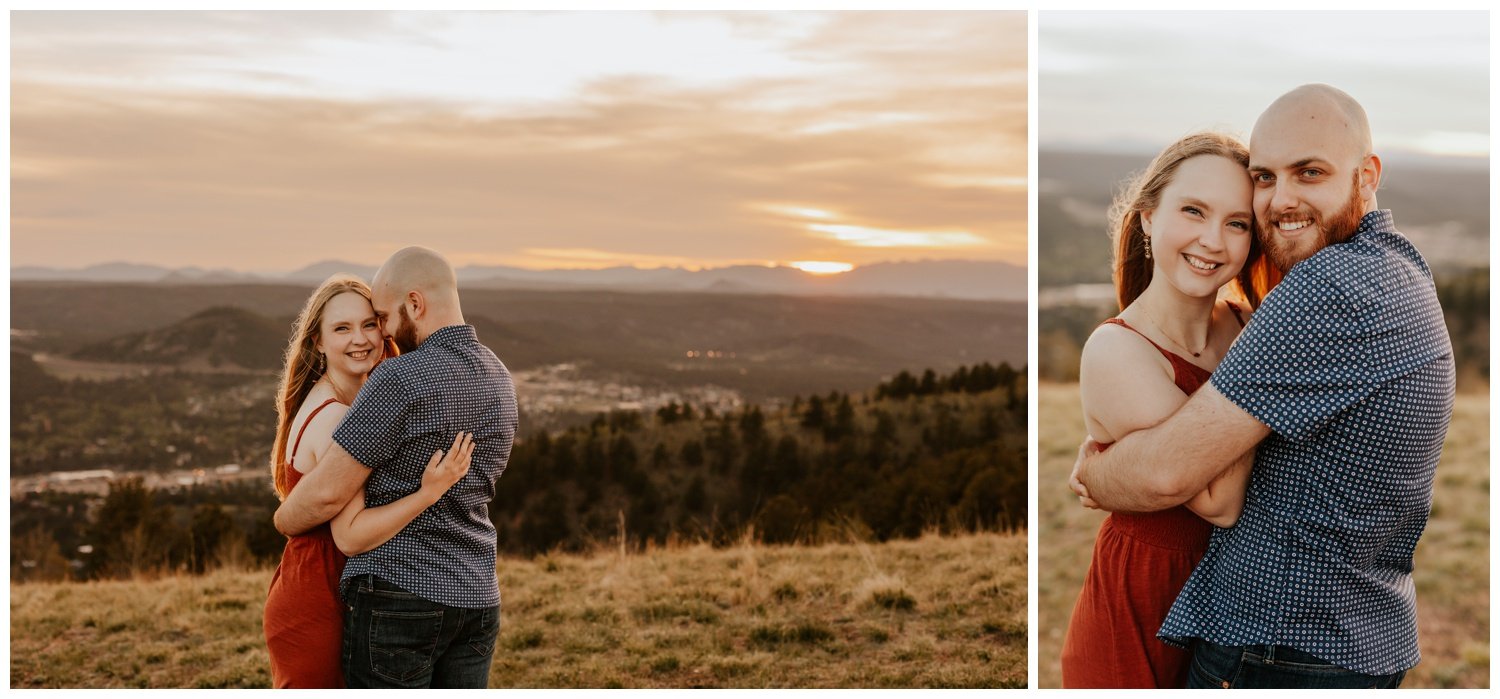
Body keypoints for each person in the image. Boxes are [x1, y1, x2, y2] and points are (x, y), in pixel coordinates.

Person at [1070, 84, 1455, 688]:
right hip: (1292, 618)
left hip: (1279, 637)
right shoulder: (1398, 265)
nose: (1283, 199)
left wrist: (1096, 472)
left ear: (1367, 175)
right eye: (1267, 177)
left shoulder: (1316, 294)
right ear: (1149, 217)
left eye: (1310, 173)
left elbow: (1190, 482)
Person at [1059, 132, 1271, 688]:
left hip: (1228, 617)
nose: (1212, 240)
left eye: (1237, 222)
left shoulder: (1246, 325)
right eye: (1193, 211)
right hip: (1140, 615)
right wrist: (1268, 357)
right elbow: (1219, 501)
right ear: (1149, 217)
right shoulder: (1117, 349)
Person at [273, 247, 519, 689]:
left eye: (379, 319)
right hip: (477, 594)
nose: (379, 334)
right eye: (348, 327)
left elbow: (328, 505)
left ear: (415, 304)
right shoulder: (499, 376)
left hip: (400, 595)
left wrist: (283, 517)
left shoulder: (397, 380)